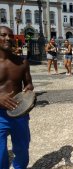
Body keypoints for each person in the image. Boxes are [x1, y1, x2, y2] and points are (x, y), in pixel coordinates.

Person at [0, 26, 34, 169]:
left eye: (11, 36)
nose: (8, 38)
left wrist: (29, 91)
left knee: (21, 150)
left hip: (19, 113)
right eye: (3, 35)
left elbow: (29, 84)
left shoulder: (22, 62)